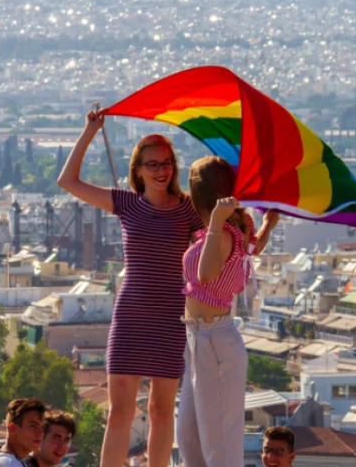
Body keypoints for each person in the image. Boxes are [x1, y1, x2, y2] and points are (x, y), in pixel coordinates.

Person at [58, 110, 204, 467]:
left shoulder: (189, 210)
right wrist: (90, 130)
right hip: (130, 317)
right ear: (137, 170)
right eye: (152, 164)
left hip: (171, 317)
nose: (161, 170)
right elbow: (68, 180)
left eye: (167, 163)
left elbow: (219, 238)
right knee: (119, 412)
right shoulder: (125, 203)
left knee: (160, 409)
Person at [175, 156, 279, 467]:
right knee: (189, 437)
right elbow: (253, 248)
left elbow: (205, 274)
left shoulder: (221, 232)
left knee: (218, 443)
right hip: (199, 340)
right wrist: (268, 224)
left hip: (215, 340)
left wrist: (217, 222)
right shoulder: (236, 226)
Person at [0, 398, 46, 466]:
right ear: (13, 429)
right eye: (33, 426)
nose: (40, 433)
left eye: (42, 427)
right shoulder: (11, 464)